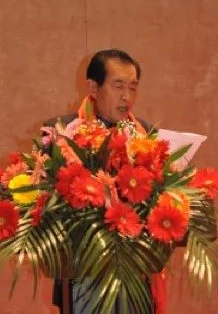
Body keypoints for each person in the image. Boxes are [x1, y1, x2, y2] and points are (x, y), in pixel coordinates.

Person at [43, 49, 152, 314]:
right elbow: (45, 202)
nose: (127, 96)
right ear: (93, 87)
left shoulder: (145, 134)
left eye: (133, 87)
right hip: (84, 273)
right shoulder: (62, 133)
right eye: (118, 86)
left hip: (135, 272)